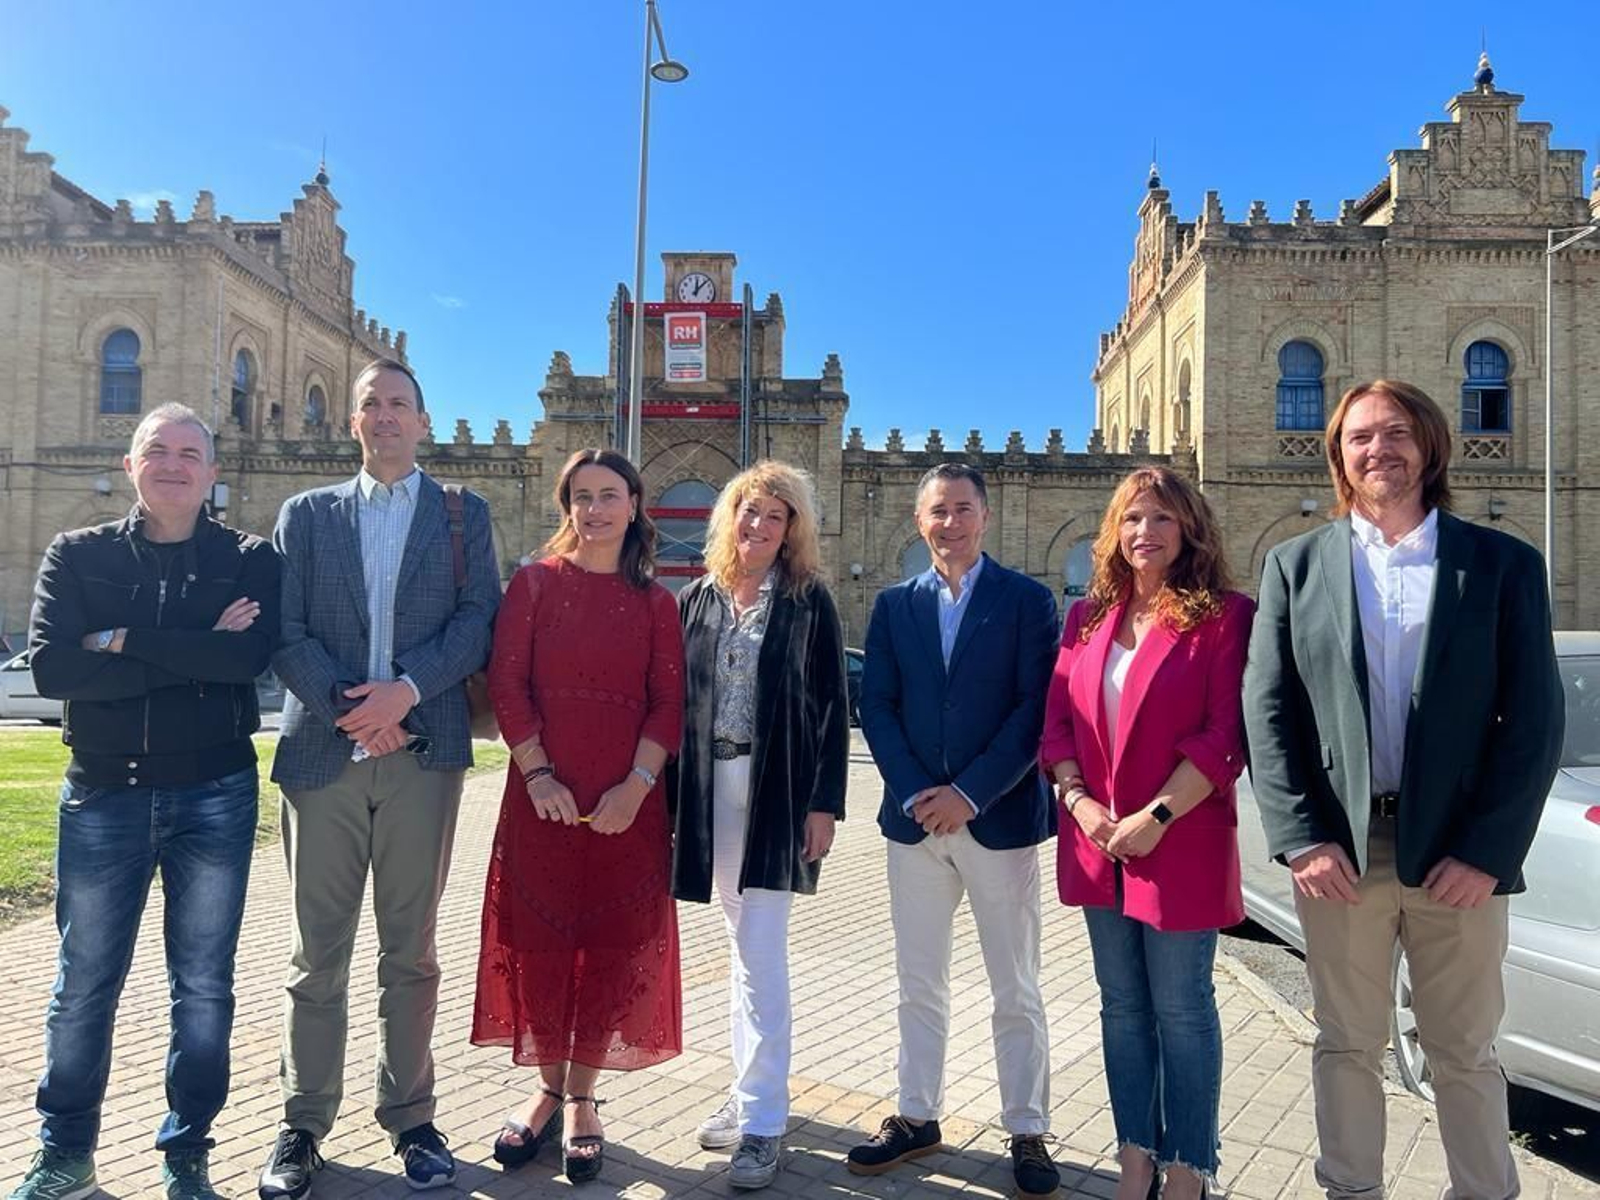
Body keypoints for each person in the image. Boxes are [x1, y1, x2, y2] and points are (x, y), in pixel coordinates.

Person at [1243, 379, 1563, 1200]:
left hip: (1458, 855)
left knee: (1462, 1049)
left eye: (1395, 434)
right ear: (1339, 455)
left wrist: (1487, 853)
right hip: (1341, 857)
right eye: (1359, 438)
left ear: (1428, 447)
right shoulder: (1296, 565)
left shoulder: (1500, 564)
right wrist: (1302, 836)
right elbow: (1268, 709)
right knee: (1347, 1042)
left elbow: (1532, 723)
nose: (1377, 449)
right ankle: (1352, 1191)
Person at [12, 403, 280, 1200]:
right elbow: (55, 671)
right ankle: (65, 1152)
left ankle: (186, 1150)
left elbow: (250, 662)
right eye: (156, 450)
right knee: (83, 982)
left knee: (203, 984)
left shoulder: (250, 558)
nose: (173, 464)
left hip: (215, 794)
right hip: (104, 793)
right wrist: (200, 646)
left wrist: (122, 640)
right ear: (130, 465)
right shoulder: (76, 553)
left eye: (190, 453)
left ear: (212, 473)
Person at [257, 359, 500, 1199]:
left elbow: (479, 623)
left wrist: (406, 690)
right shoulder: (306, 515)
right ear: (353, 422)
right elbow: (284, 631)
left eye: (400, 404)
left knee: (412, 952)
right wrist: (351, 707)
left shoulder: (464, 515)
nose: (386, 416)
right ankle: (302, 1123)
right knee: (315, 955)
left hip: (421, 758)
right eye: (372, 405)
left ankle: (411, 1116)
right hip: (324, 758)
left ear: (423, 422)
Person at [473, 447, 685, 1186]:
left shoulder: (657, 602)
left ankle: (584, 1100)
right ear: (567, 506)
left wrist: (635, 785)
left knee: (608, 946)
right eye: (581, 496)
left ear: (634, 505)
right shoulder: (533, 584)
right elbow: (507, 682)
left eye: (609, 495)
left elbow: (669, 704)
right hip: (543, 800)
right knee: (540, 944)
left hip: (627, 806)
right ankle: (546, 1089)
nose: (594, 510)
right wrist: (535, 772)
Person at [1040, 467, 1252, 1200]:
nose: (1145, 533)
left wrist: (1155, 815)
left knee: (1182, 1009)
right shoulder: (1086, 620)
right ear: (1113, 531)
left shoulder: (1225, 616)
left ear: (1189, 527)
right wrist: (1080, 805)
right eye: (1132, 519)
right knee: (1122, 1007)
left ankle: (1189, 1168)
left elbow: (1227, 735)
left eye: (1162, 518)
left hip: (1180, 841)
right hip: (1099, 843)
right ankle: (1135, 1160)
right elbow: (1057, 727)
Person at [851, 462, 1061, 1198]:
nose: (951, 522)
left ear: (986, 517)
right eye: (938, 511)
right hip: (913, 828)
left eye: (964, 509)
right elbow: (876, 704)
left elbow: (1032, 712)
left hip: (996, 821)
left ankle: (1027, 1128)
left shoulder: (1027, 601)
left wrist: (968, 794)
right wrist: (915, 793)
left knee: (1016, 986)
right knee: (918, 981)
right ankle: (916, 1115)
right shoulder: (893, 605)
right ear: (921, 521)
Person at [673, 462, 850, 1190]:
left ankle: (765, 1123)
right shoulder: (696, 600)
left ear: (792, 530)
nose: (758, 526)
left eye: (775, 516)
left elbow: (836, 709)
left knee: (762, 953)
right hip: (710, 790)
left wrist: (823, 804)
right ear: (728, 518)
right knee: (739, 953)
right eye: (748, 511)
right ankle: (747, 1095)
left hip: (775, 792)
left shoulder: (809, 603)